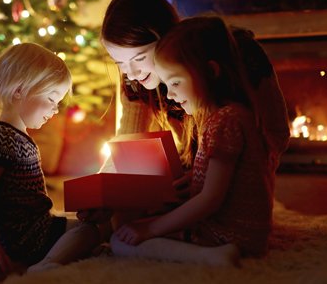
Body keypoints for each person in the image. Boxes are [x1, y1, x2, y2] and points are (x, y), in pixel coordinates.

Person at [110, 16, 274, 265]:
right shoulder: (231, 115)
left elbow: (210, 199)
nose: (171, 95)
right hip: (243, 232)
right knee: (134, 227)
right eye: (166, 85)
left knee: (119, 242)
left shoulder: (225, 121)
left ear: (210, 71)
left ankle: (209, 256)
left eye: (175, 83)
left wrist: (151, 229)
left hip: (225, 234)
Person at [0, 43, 101, 277]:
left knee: (82, 223)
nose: (55, 110)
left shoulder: (18, 136)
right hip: (23, 236)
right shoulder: (0, 139)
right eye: (52, 99)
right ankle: (49, 262)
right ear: (19, 90)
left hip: (37, 224)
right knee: (92, 231)